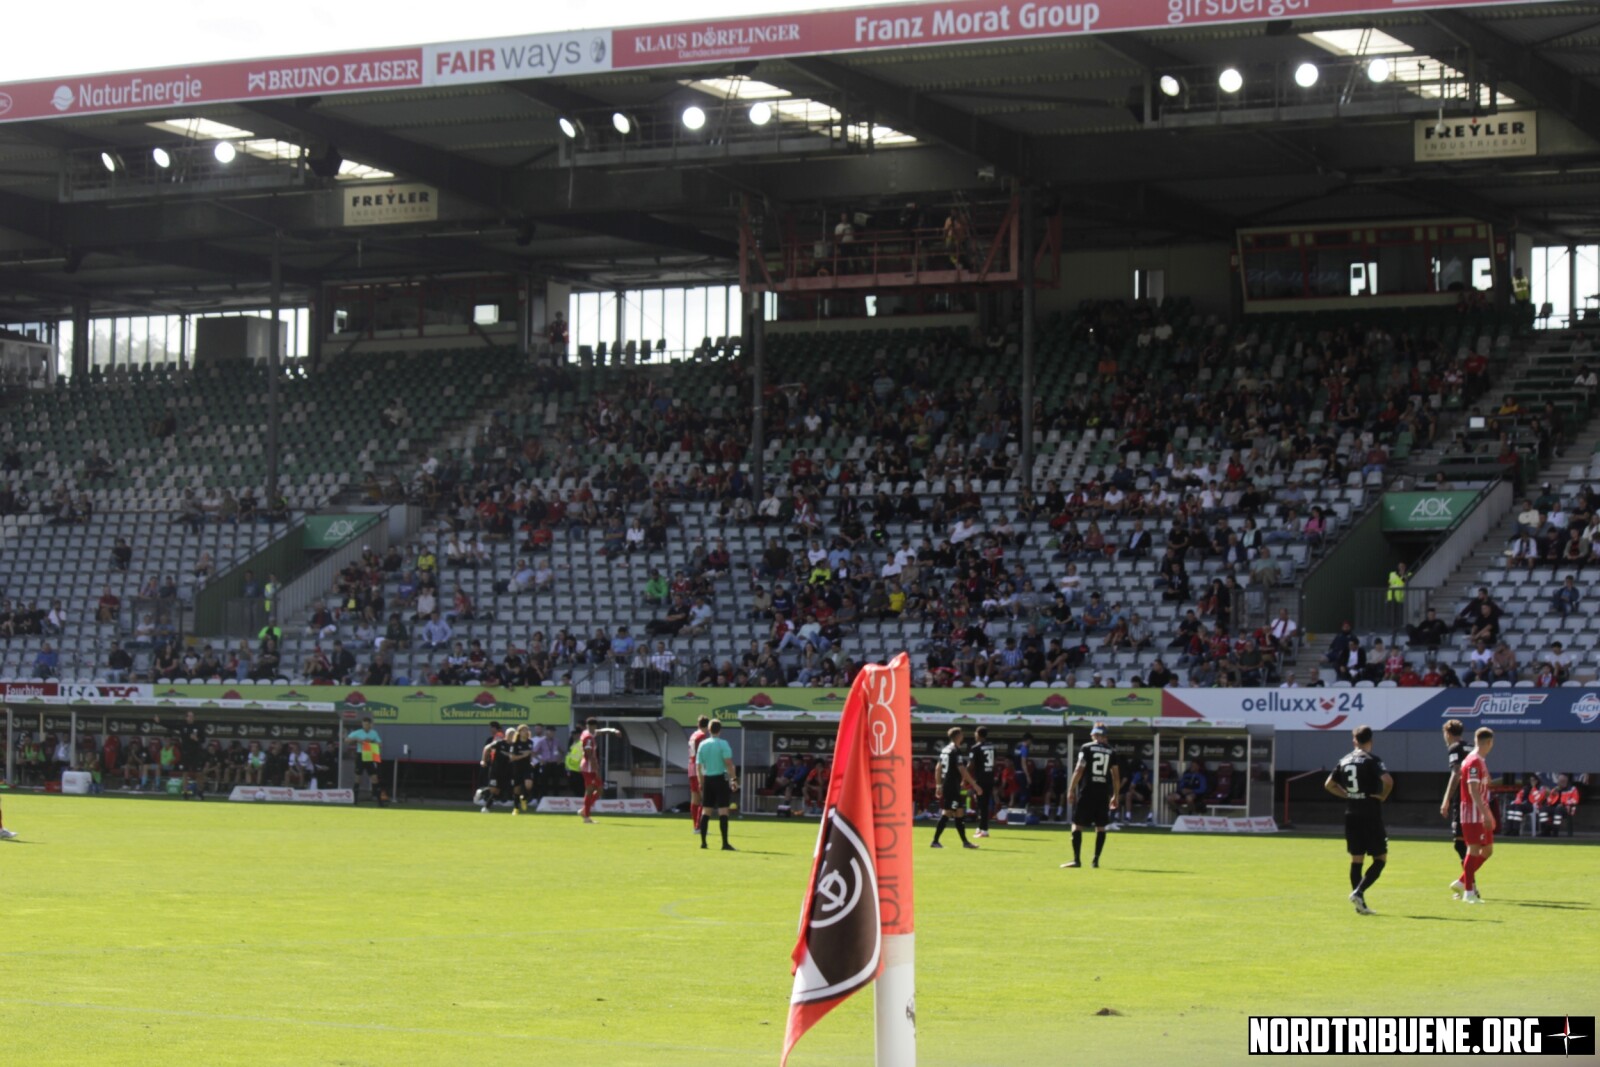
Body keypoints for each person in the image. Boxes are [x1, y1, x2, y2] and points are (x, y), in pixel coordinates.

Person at [1323, 724, 1393, 916]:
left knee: (1356, 859)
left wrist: (1347, 794)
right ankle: (1359, 892)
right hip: (1370, 814)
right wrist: (1383, 796)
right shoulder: (1372, 760)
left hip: (1351, 814)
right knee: (1380, 859)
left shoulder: (1344, 760)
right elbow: (1388, 781)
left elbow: (1328, 784)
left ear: (1354, 740)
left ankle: (1359, 904)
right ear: (1370, 740)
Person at [1062, 723, 1122, 869]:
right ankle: (1095, 861)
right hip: (1103, 793)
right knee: (1101, 827)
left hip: (1087, 791)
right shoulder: (1111, 751)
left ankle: (1077, 860)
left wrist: (1071, 789)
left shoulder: (1086, 748)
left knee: (1077, 825)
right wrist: (1115, 795)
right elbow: (1116, 776)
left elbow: (1079, 769)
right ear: (1105, 736)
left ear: (1093, 735)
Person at [1451, 727, 1496, 904]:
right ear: (1489, 742)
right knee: (1474, 849)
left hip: (1480, 810)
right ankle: (1468, 893)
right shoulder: (1474, 761)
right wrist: (1485, 814)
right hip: (1473, 813)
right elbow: (1473, 790)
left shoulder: (1479, 761)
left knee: (1488, 850)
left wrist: (1487, 812)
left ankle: (1462, 881)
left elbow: (1482, 786)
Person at [932, 726, 980, 850]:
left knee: (959, 813)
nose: (963, 736)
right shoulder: (955, 750)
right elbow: (962, 769)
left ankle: (965, 842)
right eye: (961, 734)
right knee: (947, 813)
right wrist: (974, 784)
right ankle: (935, 841)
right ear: (958, 736)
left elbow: (938, 768)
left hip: (949, 786)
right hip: (952, 787)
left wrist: (938, 785)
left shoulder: (945, 749)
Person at [694, 718, 738, 851]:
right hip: (721, 779)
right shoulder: (723, 744)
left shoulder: (703, 744)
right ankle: (725, 843)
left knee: (706, 811)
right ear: (720, 730)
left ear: (709, 729)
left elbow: (698, 766)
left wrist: (701, 782)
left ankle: (703, 843)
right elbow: (728, 764)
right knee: (723, 811)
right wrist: (733, 779)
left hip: (708, 779)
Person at [1438, 718, 1471, 866]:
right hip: (1475, 797)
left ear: (1447, 733)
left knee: (1460, 843)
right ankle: (1469, 877)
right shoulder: (1472, 747)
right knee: (1469, 842)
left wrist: (1446, 799)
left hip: (1462, 798)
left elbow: (1457, 772)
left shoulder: (1455, 748)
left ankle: (1469, 877)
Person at [577, 717, 621, 823]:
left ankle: (584, 810)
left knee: (600, 789)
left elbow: (602, 731)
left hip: (590, 767)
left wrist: (613, 730)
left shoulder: (589, 733)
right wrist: (595, 770)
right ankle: (586, 817)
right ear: (592, 726)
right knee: (590, 790)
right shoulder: (588, 737)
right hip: (588, 768)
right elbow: (589, 755)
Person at [155, 711, 206, 800]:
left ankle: (200, 793)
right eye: (189, 716)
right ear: (186, 717)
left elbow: (203, 740)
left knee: (198, 773)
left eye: (192, 716)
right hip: (186, 753)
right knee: (185, 773)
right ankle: (185, 793)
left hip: (196, 753)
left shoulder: (199, 727)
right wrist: (159, 721)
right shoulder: (182, 726)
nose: (191, 718)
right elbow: (170, 725)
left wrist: (196, 739)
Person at [346, 716, 385, 806]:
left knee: (374, 778)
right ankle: (355, 801)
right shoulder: (358, 732)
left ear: (370, 725)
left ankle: (380, 802)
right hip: (360, 755)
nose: (365, 726)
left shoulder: (374, 733)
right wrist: (356, 740)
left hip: (370, 755)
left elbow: (380, 744)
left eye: (367, 725)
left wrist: (370, 742)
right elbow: (346, 740)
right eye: (364, 725)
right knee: (358, 778)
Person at [968, 725, 998, 837]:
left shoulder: (975, 748)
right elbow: (994, 763)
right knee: (982, 803)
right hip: (989, 778)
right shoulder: (992, 747)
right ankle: (981, 826)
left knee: (982, 804)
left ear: (978, 734)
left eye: (975, 733)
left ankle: (984, 830)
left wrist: (964, 776)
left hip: (980, 779)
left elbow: (970, 765)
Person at [687, 716, 710, 837]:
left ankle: (696, 826)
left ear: (698, 724)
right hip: (699, 768)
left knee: (695, 798)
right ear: (708, 726)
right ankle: (699, 826)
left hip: (691, 767)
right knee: (704, 798)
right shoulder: (702, 736)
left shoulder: (693, 735)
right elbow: (702, 755)